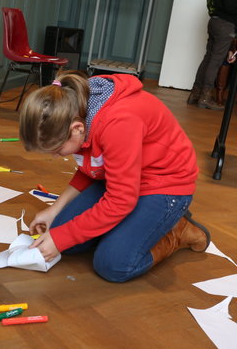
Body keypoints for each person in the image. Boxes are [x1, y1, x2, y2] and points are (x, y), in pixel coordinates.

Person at [19, 71, 211, 283]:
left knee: (113, 264)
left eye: (57, 149)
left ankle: (177, 231)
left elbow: (120, 200)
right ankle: (129, 229)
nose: (56, 156)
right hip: (122, 180)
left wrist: (62, 237)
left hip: (165, 186)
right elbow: (90, 167)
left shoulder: (118, 122)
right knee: (61, 235)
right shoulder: (76, 108)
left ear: (77, 128)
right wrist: (54, 210)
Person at [187, 0, 237, 110]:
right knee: (215, 61)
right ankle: (205, 98)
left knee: (208, 58)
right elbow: (231, 6)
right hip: (226, 24)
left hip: (214, 21)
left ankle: (195, 94)